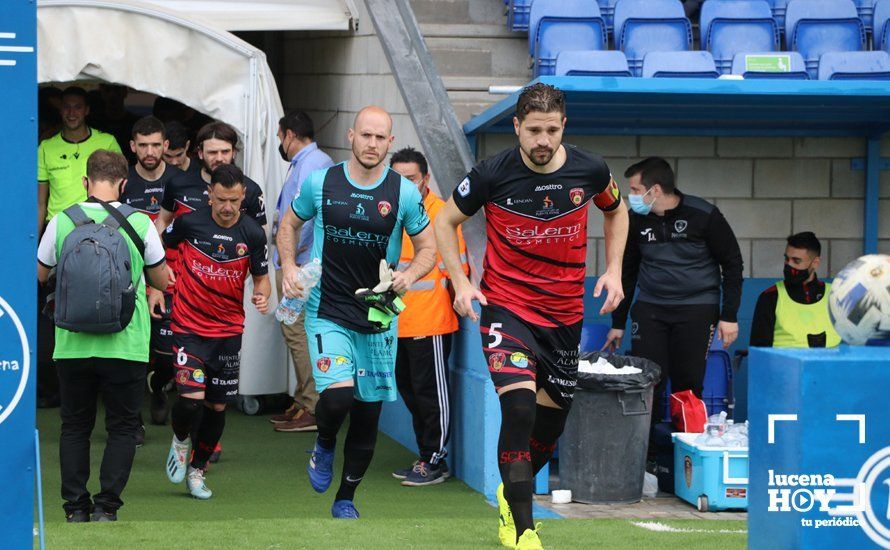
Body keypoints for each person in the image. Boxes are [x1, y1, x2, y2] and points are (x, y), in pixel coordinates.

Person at [435, 83, 629, 549]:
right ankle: (523, 532)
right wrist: (462, 282)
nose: (543, 140)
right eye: (534, 130)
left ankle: (511, 490)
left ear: (564, 127)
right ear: (517, 127)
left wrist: (615, 270)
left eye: (552, 130)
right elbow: (445, 221)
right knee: (518, 409)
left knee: (549, 428)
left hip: (564, 319)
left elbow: (618, 211)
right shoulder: (490, 174)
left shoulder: (590, 169)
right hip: (507, 309)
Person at [277, 105, 435, 519]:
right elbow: (288, 225)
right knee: (339, 393)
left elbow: (428, 249)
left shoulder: (402, 192)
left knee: (367, 415)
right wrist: (290, 267)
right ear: (351, 136)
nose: (372, 144)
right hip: (327, 308)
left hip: (378, 318)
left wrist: (408, 275)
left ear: (389, 141)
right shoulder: (322, 182)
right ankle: (324, 442)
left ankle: (345, 498)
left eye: (380, 137)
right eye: (365, 135)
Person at [37, 150, 168, 522]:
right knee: (123, 427)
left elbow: (42, 274)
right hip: (126, 344)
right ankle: (106, 507)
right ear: (124, 184)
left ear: (85, 182)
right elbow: (161, 279)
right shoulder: (140, 223)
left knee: (75, 426)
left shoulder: (63, 220)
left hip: (73, 343)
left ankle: (75, 508)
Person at [602, 157, 743, 448]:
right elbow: (626, 273)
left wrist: (729, 316)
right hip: (651, 308)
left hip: (697, 309)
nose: (632, 195)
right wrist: (618, 324)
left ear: (654, 190)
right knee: (646, 382)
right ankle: (644, 459)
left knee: (688, 385)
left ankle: (686, 462)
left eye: (635, 188)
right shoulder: (635, 218)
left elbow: (732, 265)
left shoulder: (703, 215)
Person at [153, 121, 267, 462]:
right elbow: (161, 239)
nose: (228, 207)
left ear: (243, 197)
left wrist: (262, 293)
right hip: (188, 322)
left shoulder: (252, 231)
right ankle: (181, 438)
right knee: (190, 399)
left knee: (217, 404)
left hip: (228, 326)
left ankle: (200, 466)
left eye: (234, 201)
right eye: (221, 200)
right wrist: (161, 274)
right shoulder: (188, 218)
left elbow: (260, 271)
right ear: (210, 195)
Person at [389, 147, 469, 487]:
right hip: (395, 322)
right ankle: (426, 454)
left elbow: (459, 269)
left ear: (425, 179)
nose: (404, 185)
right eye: (397, 179)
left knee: (431, 394)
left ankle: (435, 460)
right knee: (408, 388)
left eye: (410, 179)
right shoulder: (390, 212)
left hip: (431, 323)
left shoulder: (442, 215)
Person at [270, 110, 334, 433]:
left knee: (297, 333)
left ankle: (312, 404)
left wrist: (292, 261)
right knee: (295, 331)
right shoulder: (310, 162)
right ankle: (304, 399)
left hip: (302, 265)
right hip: (299, 263)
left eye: (281, 137)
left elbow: (304, 219)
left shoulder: (311, 163)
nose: (280, 143)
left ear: (290, 135)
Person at [121, 116, 182, 429]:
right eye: (142, 145)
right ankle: (133, 423)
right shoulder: (124, 183)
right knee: (131, 354)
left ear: (166, 146)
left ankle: (158, 387)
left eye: (156, 144)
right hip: (131, 278)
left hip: (171, 278)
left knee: (167, 357)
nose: (149, 151)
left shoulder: (181, 180)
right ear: (132, 146)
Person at [38, 86, 121, 235]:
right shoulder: (46, 147)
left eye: (77, 107)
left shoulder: (107, 142)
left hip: (99, 226)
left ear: (87, 110)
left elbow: (121, 188)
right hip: (57, 227)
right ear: (60, 110)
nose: (71, 113)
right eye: (66, 107)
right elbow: (40, 203)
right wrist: (35, 245)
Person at [750, 232, 840, 348]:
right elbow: (759, 352)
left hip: (830, 365)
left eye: (796, 261)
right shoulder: (770, 297)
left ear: (815, 263)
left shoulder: (837, 295)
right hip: (783, 366)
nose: (789, 265)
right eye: (787, 259)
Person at [88, 84, 141, 164]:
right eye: (108, 90)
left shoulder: (136, 123)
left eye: (116, 90)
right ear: (102, 92)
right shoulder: (92, 123)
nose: (112, 95)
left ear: (125, 92)